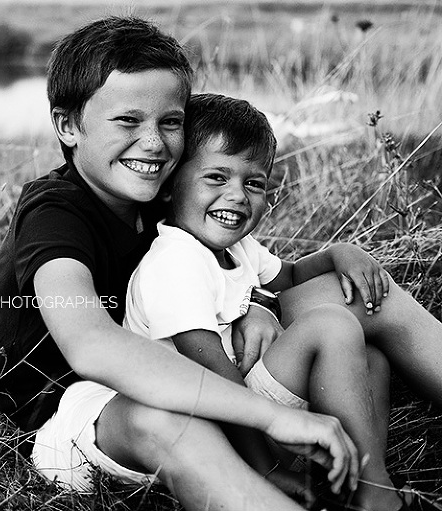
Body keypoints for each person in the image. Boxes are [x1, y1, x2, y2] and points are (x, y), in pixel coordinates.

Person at [0, 16, 364, 510]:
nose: (155, 143)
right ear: (68, 125)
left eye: (171, 121)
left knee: (348, 297)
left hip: (169, 367)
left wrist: (256, 305)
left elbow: (232, 274)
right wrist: (267, 416)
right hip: (72, 407)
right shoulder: (54, 213)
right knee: (168, 419)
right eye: (127, 120)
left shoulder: (159, 193)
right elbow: (91, 344)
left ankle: (372, 495)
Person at [123, 93, 420, 511]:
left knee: (373, 358)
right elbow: (207, 370)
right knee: (331, 325)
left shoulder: (237, 247)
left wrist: (339, 253)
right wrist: (265, 469)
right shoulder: (174, 261)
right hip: (208, 420)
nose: (238, 195)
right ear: (170, 187)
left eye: (254, 183)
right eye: (216, 178)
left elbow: (292, 277)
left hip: (245, 402)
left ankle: (355, 477)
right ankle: (374, 494)